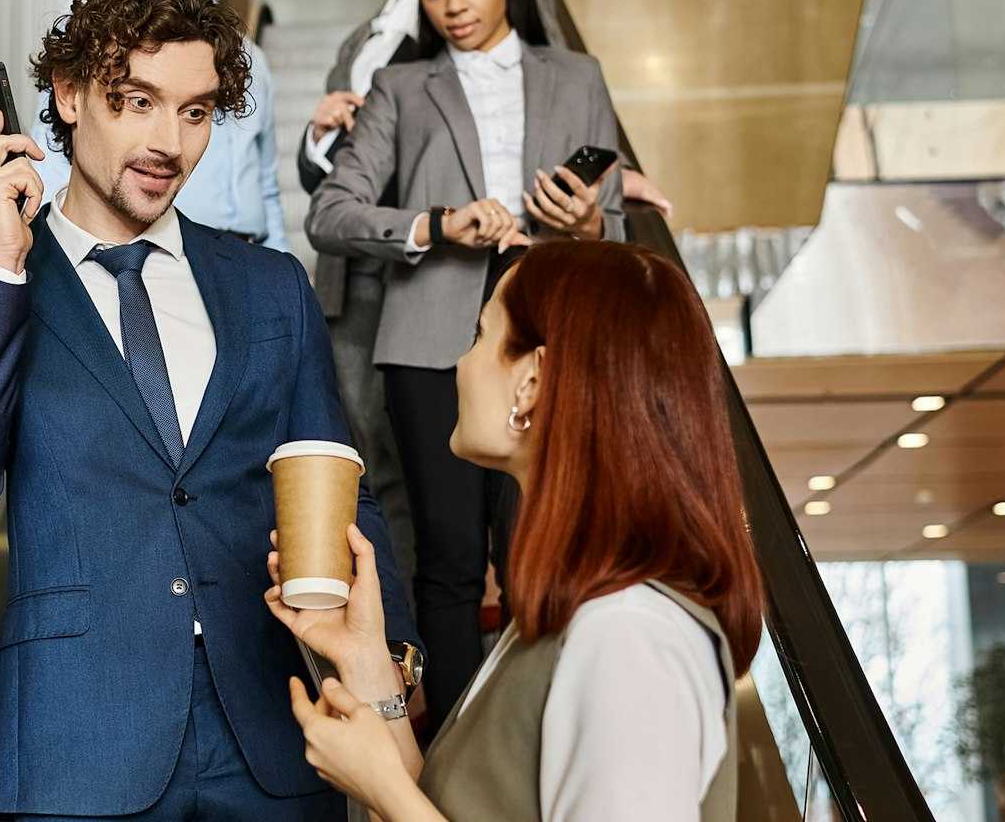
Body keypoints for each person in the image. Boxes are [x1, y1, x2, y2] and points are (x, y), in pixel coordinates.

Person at [0, 0, 417, 820]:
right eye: (136, 101)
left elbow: (343, 493)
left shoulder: (270, 287)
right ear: (65, 94)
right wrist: (3, 264)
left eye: (197, 111)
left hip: (274, 739)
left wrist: (390, 670)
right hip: (76, 747)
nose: (169, 142)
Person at [268, 240, 764, 821]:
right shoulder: (576, 615)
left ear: (531, 381)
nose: (461, 363)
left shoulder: (631, 637)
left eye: (480, 336)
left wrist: (384, 790)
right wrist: (368, 664)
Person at [304, 0, 624, 714]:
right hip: (426, 344)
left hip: (547, 334)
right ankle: (452, 742)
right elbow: (331, 213)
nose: (455, 4)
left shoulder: (577, 77)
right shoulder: (402, 86)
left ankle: (537, 731)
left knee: (539, 552)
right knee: (445, 556)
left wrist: (587, 222)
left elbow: (613, 224)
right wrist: (434, 224)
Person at [293, 0, 468, 595]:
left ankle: (436, 617)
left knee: (431, 460)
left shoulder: (457, 25)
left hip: (422, 270)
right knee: (367, 454)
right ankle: (395, 627)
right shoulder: (360, 39)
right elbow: (325, 180)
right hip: (351, 273)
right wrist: (320, 135)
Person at [29, 0, 288, 250]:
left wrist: (278, 263)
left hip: (246, 262)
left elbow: (266, 182)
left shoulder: (246, 49)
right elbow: (51, 155)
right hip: (149, 255)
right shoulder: (102, 33)